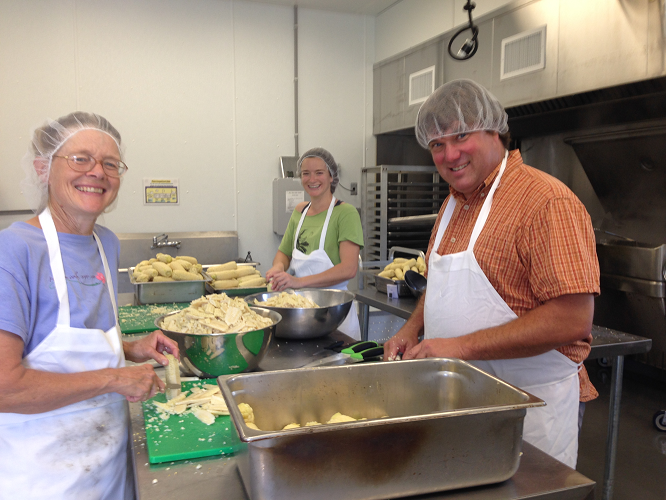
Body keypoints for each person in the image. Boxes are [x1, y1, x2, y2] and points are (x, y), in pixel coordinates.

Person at [383, 80, 600, 468]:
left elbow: (572, 318)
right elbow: (439, 287)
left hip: (528, 411)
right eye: (436, 144)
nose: (450, 154)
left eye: (461, 135)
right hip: (458, 401)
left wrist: (458, 347)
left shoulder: (545, 202)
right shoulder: (453, 205)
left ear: (494, 129)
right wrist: (410, 329)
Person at [0, 112, 179, 499]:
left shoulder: (105, 243)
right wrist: (115, 378)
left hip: (111, 466)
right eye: (80, 159)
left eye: (110, 164)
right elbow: (4, 386)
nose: (97, 172)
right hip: (44, 479)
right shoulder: (13, 250)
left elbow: (67, 339)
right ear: (43, 168)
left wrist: (131, 350)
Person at [266, 148, 364, 339]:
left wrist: (298, 282)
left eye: (319, 173)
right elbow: (284, 253)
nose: (312, 179)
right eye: (306, 173)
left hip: (335, 315)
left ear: (331, 176)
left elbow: (349, 269)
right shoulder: (299, 212)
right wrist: (278, 269)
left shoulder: (346, 213)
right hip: (301, 314)